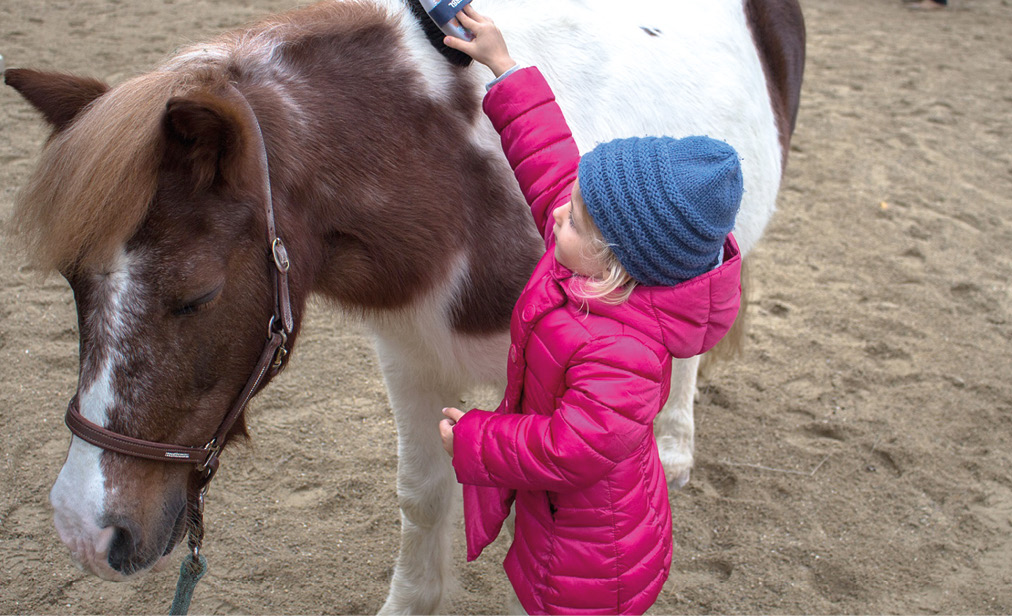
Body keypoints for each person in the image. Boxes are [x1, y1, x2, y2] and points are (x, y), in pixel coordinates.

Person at [437, 6, 744, 615]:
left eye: (574, 217)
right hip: (560, 521)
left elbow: (569, 448)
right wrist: (504, 66)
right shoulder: (593, 254)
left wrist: (476, 438)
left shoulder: (622, 351)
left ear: (615, 262)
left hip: (593, 561)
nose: (556, 214)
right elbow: (548, 158)